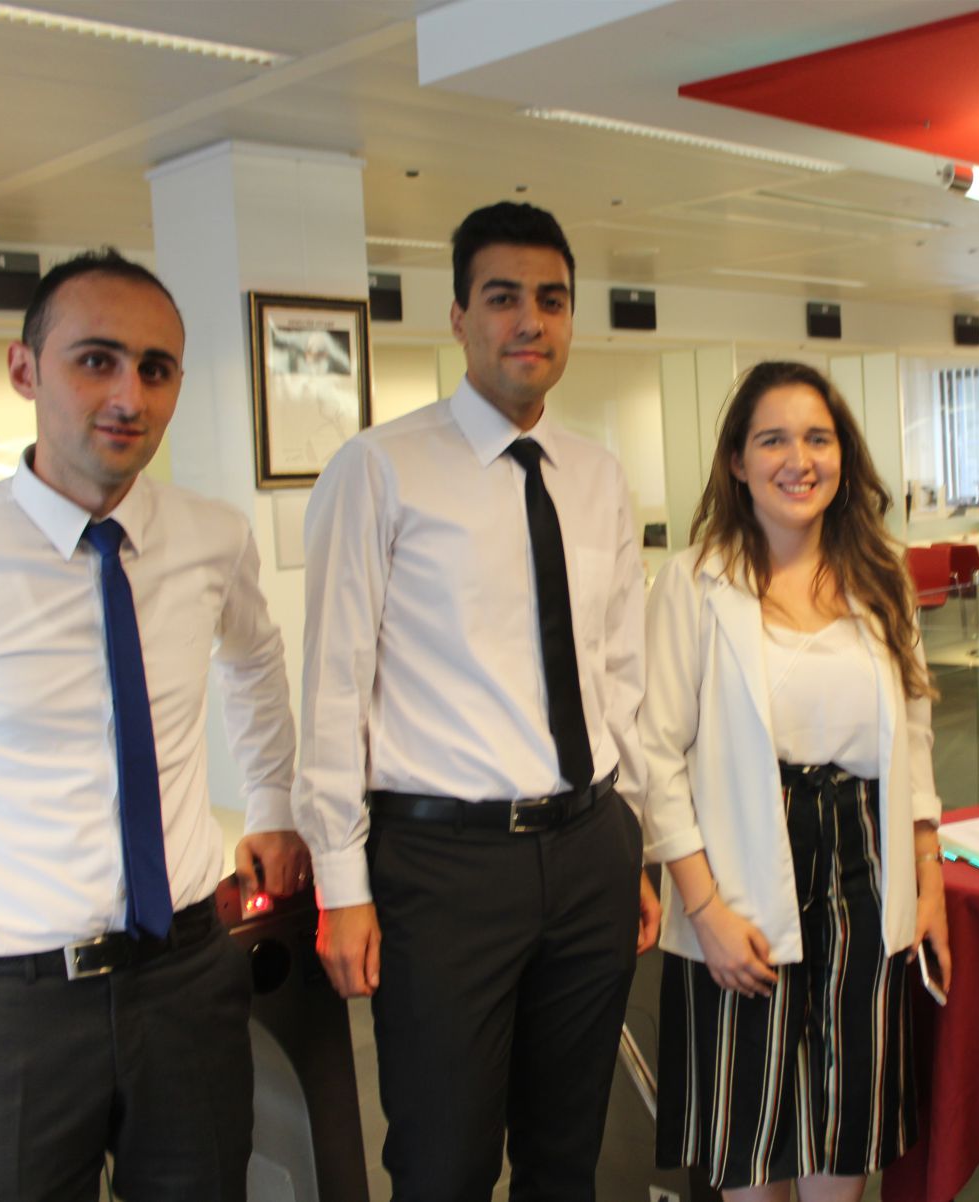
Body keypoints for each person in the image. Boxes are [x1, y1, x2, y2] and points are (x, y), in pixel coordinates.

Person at [0, 249, 310, 1200]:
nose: (129, 395)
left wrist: (271, 802)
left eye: (156, 369)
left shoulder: (211, 537)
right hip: (7, 1005)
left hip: (185, 975)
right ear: (24, 370)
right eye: (96, 360)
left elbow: (255, 659)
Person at [293, 201, 660, 1201]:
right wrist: (341, 885)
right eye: (502, 298)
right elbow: (331, 689)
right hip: (443, 869)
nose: (529, 320)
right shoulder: (380, 469)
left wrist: (631, 837)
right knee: (444, 1162)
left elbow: (617, 670)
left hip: (589, 848)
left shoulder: (597, 476)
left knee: (566, 1154)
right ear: (457, 316)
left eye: (552, 299)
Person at [639, 361, 949, 1200]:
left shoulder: (880, 576)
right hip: (741, 861)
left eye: (817, 438)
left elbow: (914, 736)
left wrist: (928, 879)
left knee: (848, 1119)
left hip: (863, 856)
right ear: (736, 461)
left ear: (842, 454)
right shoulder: (692, 583)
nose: (798, 460)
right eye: (772, 440)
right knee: (751, 1128)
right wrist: (704, 911)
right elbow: (655, 757)